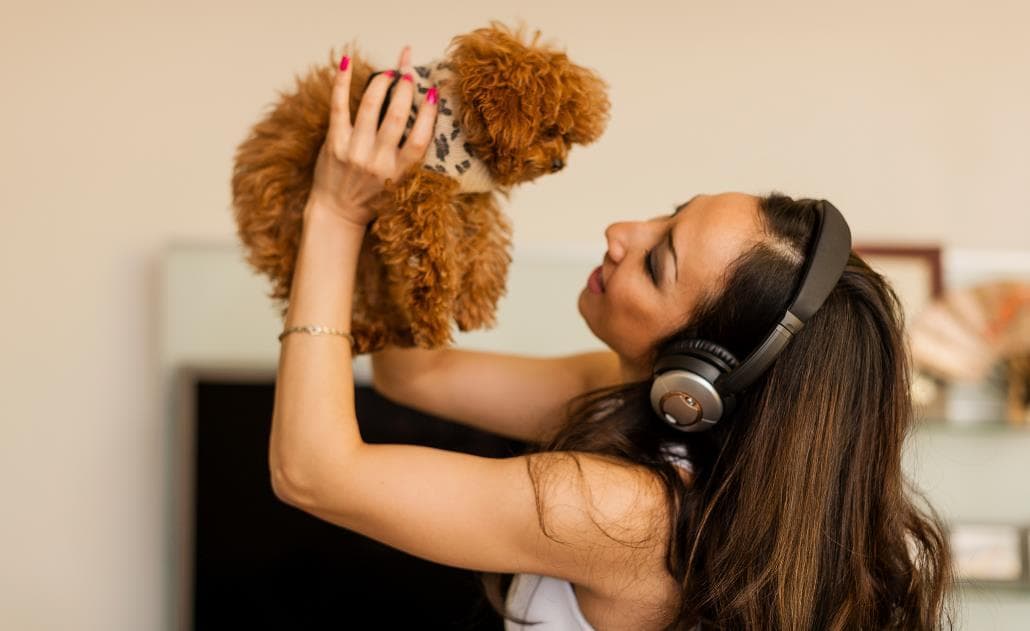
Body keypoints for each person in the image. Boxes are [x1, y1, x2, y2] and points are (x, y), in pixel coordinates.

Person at [269, 44, 955, 630]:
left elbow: (313, 473)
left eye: (659, 264)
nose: (622, 232)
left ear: (700, 380)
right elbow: (412, 376)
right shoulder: (634, 402)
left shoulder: (623, 514)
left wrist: (335, 211)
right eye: (669, 215)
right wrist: (424, 181)